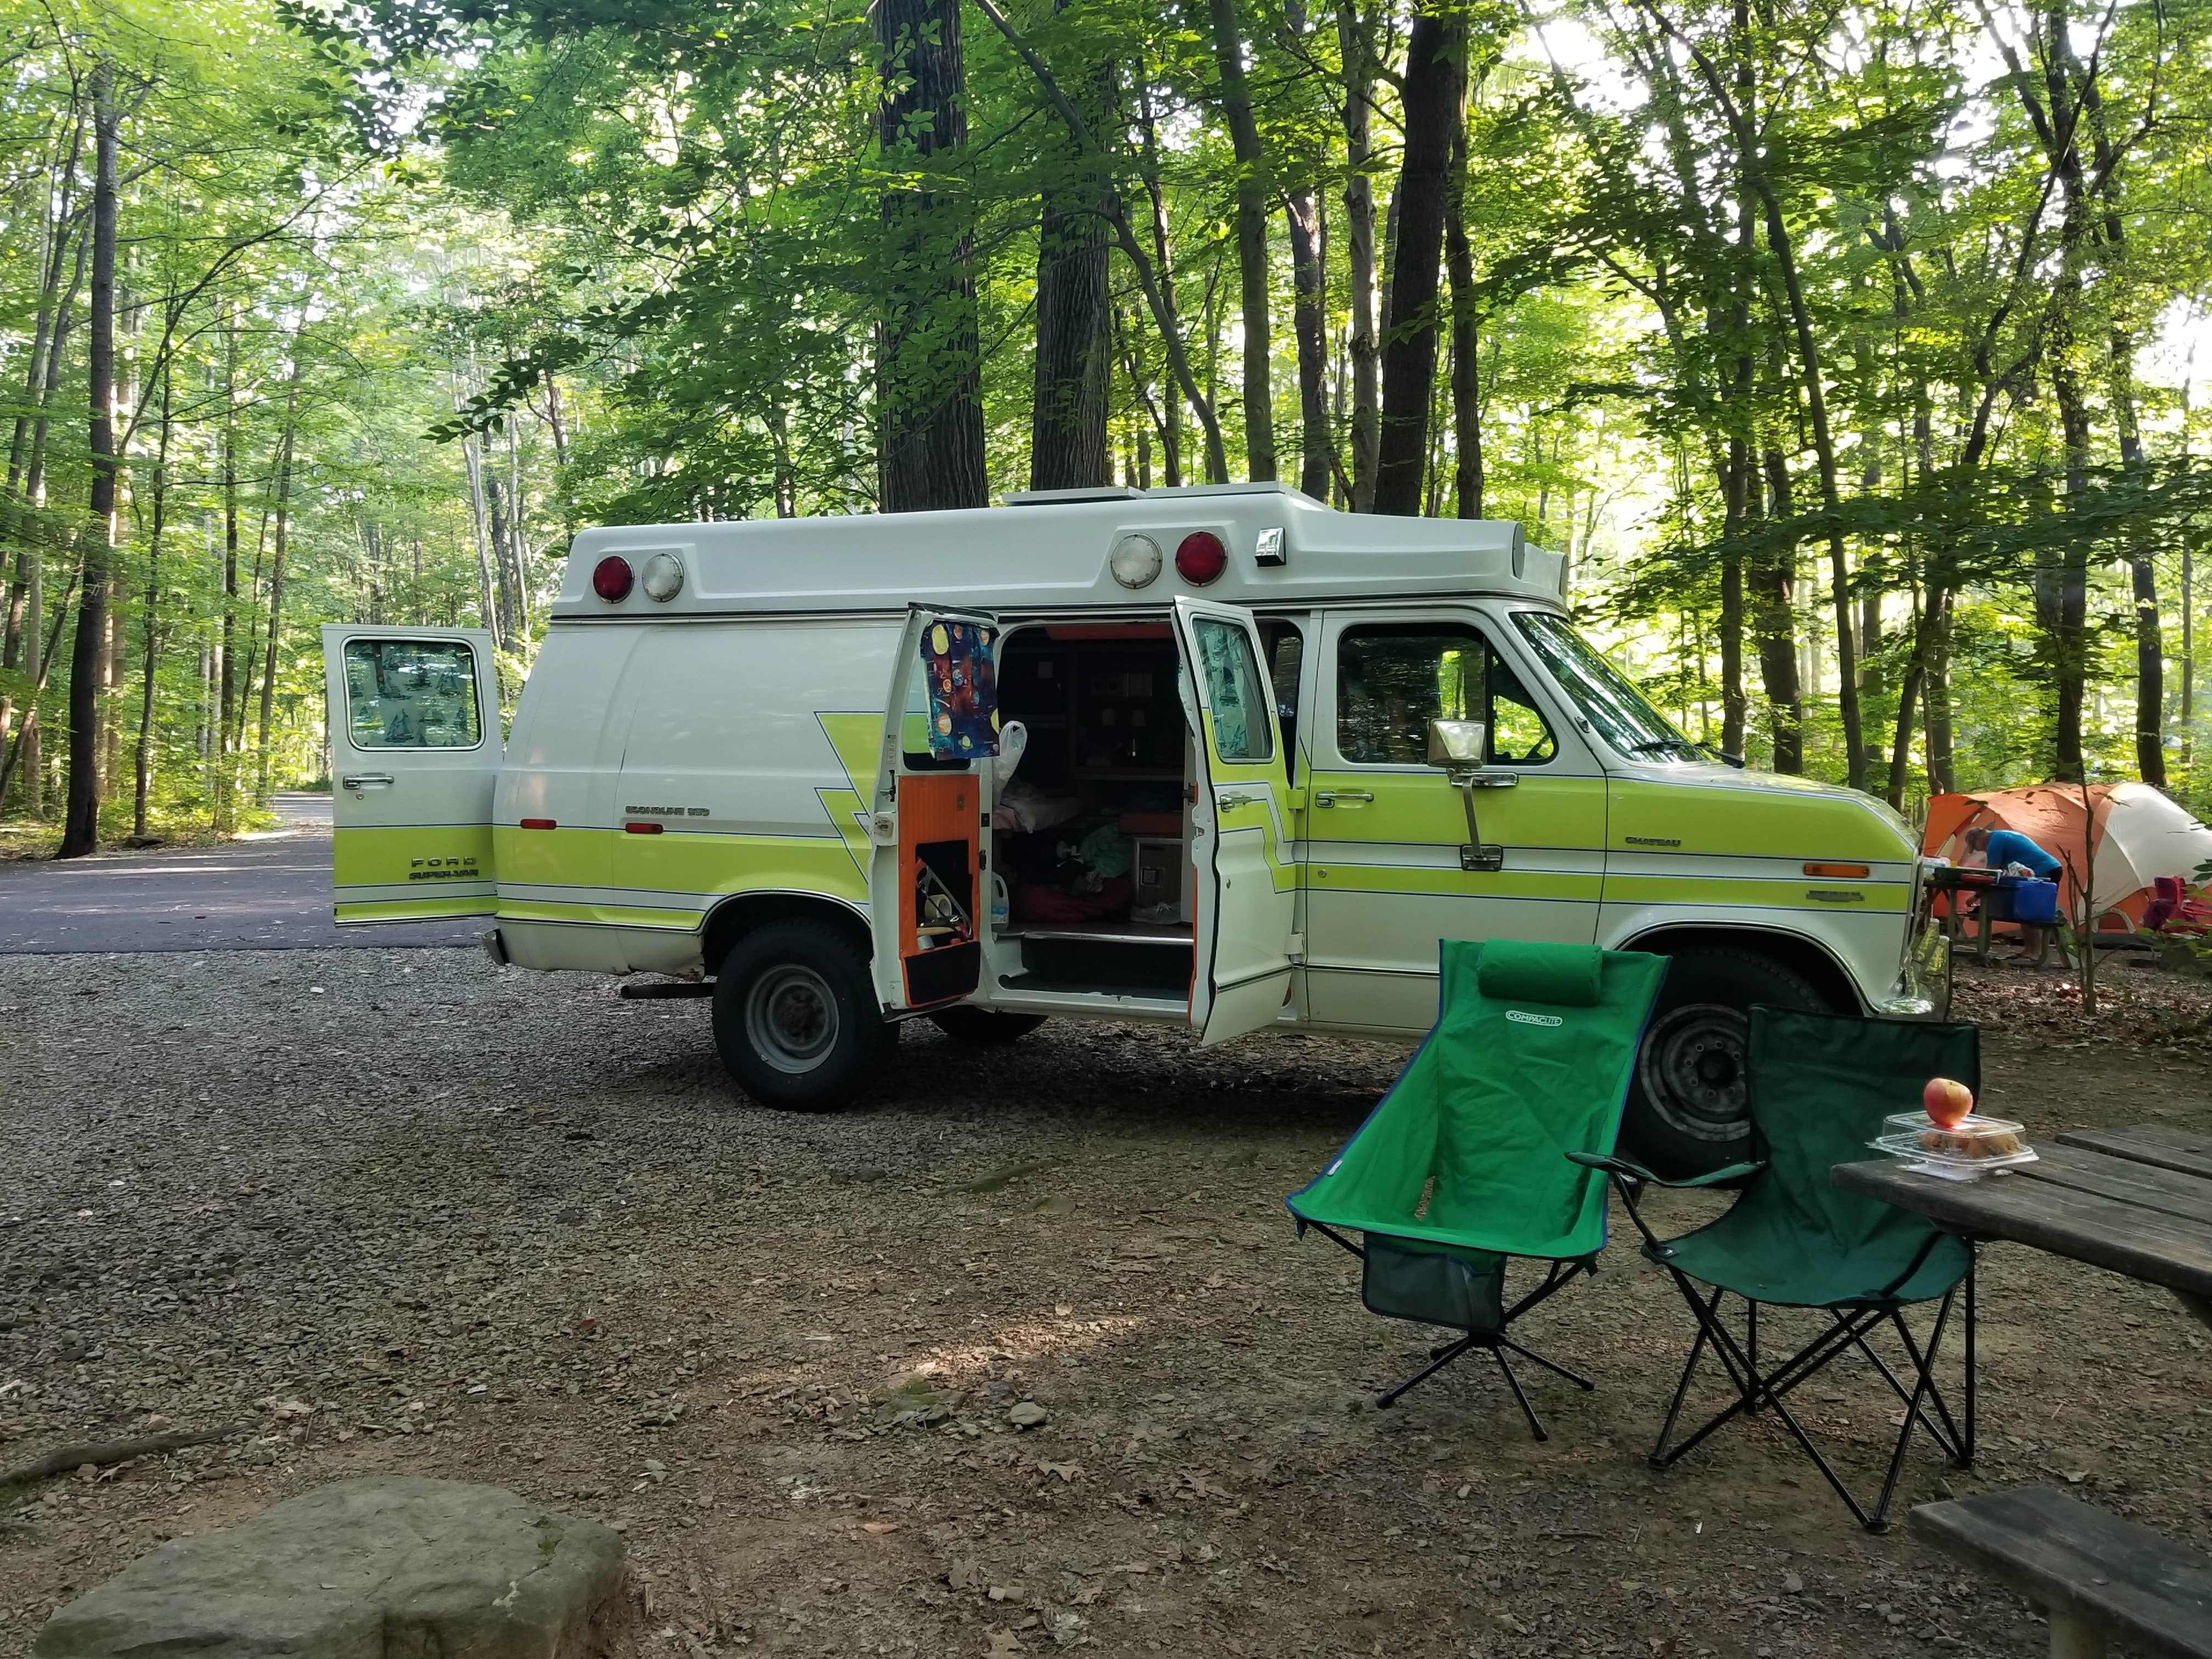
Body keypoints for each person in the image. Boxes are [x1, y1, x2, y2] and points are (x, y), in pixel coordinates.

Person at [1963, 825, 2063, 961]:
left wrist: (1976, 896)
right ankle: (2029, 950)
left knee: (2033, 911)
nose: (1979, 850)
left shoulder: (1995, 841)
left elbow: (1991, 873)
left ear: (1978, 839)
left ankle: (2035, 953)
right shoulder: (2000, 836)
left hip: (2045, 870)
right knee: (2023, 910)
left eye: (1975, 847)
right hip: (2041, 871)